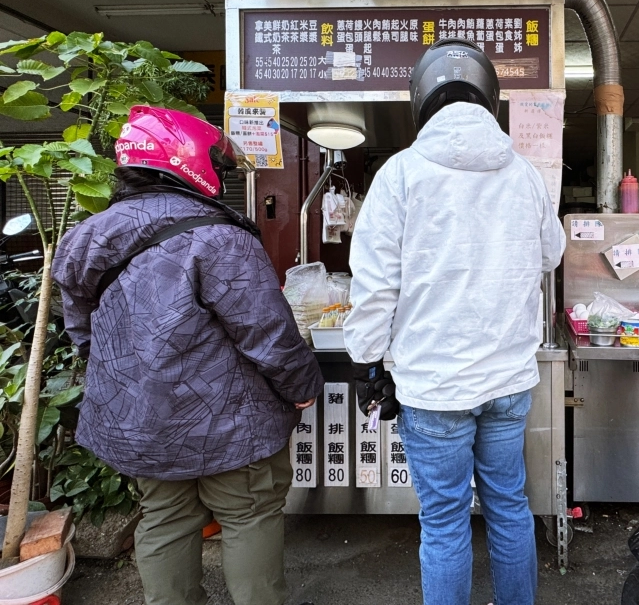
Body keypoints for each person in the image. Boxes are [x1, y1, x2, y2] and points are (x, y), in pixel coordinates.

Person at [53, 106, 324, 605]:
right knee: (248, 514)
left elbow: (84, 333)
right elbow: (267, 330)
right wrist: (303, 386)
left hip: (139, 420)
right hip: (229, 423)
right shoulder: (219, 237)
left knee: (164, 518)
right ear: (188, 162)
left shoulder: (83, 237)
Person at [344, 38, 566, 605]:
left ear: (421, 99)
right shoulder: (523, 176)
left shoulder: (399, 175)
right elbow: (551, 254)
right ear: (489, 99)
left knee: (444, 522)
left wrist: (368, 358)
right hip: (508, 381)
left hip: (434, 385)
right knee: (510, 507)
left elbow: (373, 286)